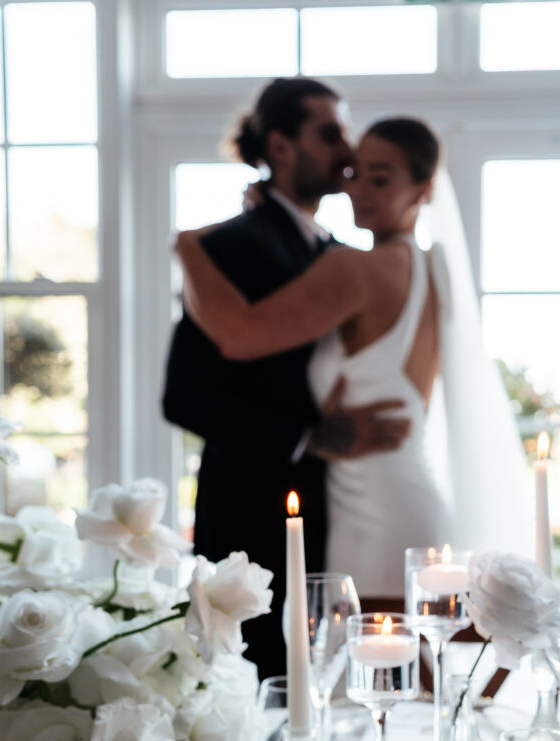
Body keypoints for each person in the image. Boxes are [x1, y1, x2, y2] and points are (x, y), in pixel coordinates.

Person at [174, 116, 532, 597]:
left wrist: (188, 247)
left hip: (373, 511)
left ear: (423, 190)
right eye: (353, 174)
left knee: (366, 663)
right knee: (408, 664)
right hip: (404, 496)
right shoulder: (429, 265)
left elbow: (238, 334)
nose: (359, 190)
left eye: (380, 178)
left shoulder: (356, 269)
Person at [163, 79, 412, 679]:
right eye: (330, 135)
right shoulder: (227, 245)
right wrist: (308, 437)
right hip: (249, 516)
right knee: (256, 689)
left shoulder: (338, 252)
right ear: (280, 145)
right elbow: (184, 395)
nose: (347, 151)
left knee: (324, 681)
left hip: (341, 510)